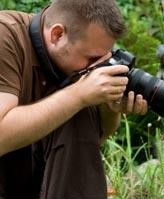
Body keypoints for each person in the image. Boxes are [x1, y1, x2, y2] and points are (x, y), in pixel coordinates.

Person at [0, 0, 148, 198]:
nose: (96, 67)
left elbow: (92, 141)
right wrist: (79, 94)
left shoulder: (73, 65)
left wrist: (109, 108)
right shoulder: (6, 36)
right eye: (92, 59)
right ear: (57, 35)